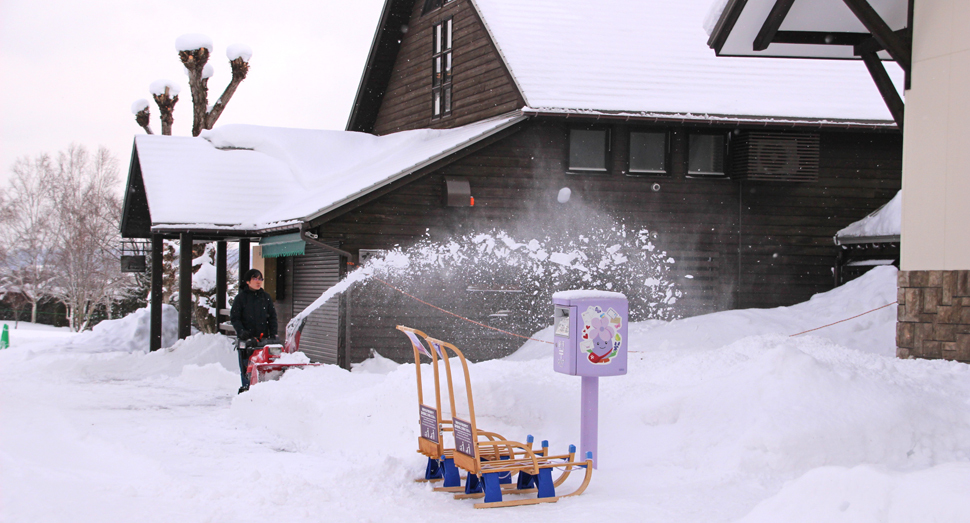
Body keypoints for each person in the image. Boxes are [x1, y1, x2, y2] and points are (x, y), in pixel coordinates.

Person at [230, 268, 278, 393]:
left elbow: (272, 317)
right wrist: (242, 332)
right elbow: (235, 318)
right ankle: (247, 389)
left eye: (260, 279)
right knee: (247, 367)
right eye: (255, 278)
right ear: (247, 281)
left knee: (264, 365)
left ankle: (264, 389)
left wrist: (273, 334)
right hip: (246, 341)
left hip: (263, 340)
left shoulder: (265, 297)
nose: (258, 281)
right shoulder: (240, 298)